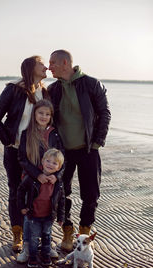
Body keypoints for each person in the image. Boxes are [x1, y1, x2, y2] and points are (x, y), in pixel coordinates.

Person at [48, 49, 111, 252]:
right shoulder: (53, 89)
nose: (49, 67)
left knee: (91, 194)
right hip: (62, 152)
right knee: (61, 192)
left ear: (65, 63)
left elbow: (104, 113)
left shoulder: (92, 84)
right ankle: (67, 231)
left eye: (52, 63)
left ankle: (85, 232)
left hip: (88, 149)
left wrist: (97, 143)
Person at [0, 55, 49, 252]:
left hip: (37, 152)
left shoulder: (45, 92)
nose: (46, 66)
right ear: (31, 67)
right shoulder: (14, 89)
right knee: (16, 191)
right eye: (42, 63)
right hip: (14, 151)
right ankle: (17, 234)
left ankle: (34, 233)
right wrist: (8, 141)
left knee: (35, 192)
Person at [16, 99, 64, 262]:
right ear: (34, 114)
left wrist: (55, 176)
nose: (43, 116)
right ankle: (27, 248)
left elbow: (63, 159)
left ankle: (47, 245)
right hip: (32, 179)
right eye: (40, 113)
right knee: (30, 216)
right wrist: (37, 174)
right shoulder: (26, 133)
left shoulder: (55, 134)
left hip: (50, 181)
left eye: (47, 114)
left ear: (51, 116)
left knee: (46, 215)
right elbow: (22, 159)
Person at [17, 148, 65, 268]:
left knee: (47, 235)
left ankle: (45, 254)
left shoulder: (58, 182)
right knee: (33, 237)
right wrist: (22, 207)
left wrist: (61, 216)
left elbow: (62, 200)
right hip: (34, 215)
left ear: (59, 168)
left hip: (49, 216)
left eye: (54, 163)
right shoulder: (32, 178)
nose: (50, 164)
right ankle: (32, 257)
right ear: (42, 162)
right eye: (48, 161)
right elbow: (20, 191)